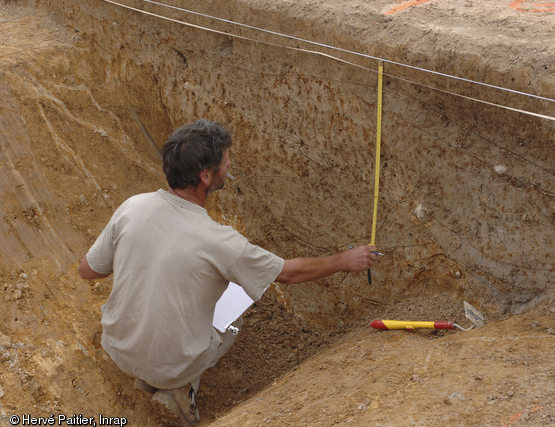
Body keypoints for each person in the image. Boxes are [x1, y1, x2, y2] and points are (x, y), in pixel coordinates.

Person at [78, 119, 377, 426]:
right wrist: (344, 260)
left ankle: (157, 370)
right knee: (233, 314)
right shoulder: (220, 241)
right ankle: (180, 389)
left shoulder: (132, 207)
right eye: (225, 160)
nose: (229, 162)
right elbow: (287, 274)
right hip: (169, 369)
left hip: (116, 346)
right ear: (205, 176)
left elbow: (88, 270)